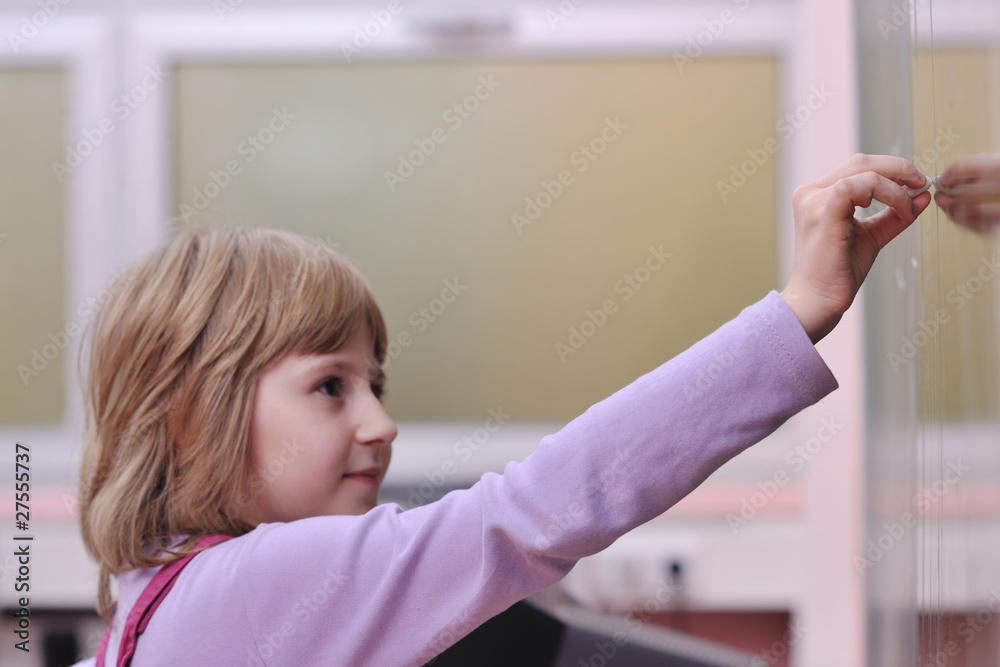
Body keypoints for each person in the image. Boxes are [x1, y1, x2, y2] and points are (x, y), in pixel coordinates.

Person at [71, 154, 931, 666]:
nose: (379, 423)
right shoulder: (245, 589)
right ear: (186, 415)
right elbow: (526, 513)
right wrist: (796, 311)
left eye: (378, 385)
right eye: (330, 386)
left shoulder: (152, 605)